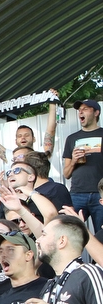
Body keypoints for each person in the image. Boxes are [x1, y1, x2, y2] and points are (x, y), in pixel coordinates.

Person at [24, 215, 103, 304]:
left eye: (44, 235)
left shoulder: (88, 273)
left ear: (62, 241)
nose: (38, 240)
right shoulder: (50, 283)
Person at [63, 98, 103, 230]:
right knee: (72, 233)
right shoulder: (72, 138)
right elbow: (66, 174)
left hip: (100, 194)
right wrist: (74, 160)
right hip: (77, 194)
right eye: (79, 110)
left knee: (101, 236)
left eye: (85, 109)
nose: (81, 112)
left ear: (96, 113)